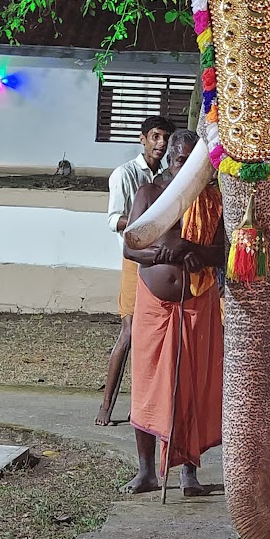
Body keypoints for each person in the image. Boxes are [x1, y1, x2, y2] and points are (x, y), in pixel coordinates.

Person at [124, 128, 224, 498]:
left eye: (195, 164)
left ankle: (188, 474)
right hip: (154, 302)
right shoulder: (150, 193)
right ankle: (147, 470)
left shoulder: (213, 199)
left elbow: (223, 251)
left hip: (197, 299)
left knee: (192, 385)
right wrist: (161, 255)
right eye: (181, 162)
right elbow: (132, 249)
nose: (187, 170)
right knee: (149, 384)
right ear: (170, 160)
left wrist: (192, 250)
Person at [95, 115, 174, 425]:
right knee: (128, 334)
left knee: (155, 339)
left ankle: (143, 407)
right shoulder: (125, 174)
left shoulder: (169, 176)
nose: (161, 143)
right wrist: (152, 222)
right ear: (143, 139)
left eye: (165, 137)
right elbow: (114, 220)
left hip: (162, 262)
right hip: (135, 261)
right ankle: (105, 407)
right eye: (155, 136)